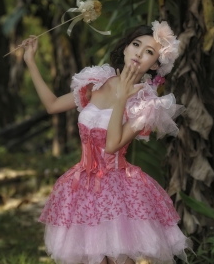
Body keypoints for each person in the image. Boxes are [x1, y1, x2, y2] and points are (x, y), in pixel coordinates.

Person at [20, 21, 192, 264]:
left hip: (118, 189)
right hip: (82, 187)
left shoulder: (147, 103)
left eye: (149, 52)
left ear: (155, 65)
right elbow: (53, 105)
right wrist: (30, 61)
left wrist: (122, 97)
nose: (139, 53)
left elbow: (112, 145)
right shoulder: (97, 81)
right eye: (136, 45)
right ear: (125, 49)